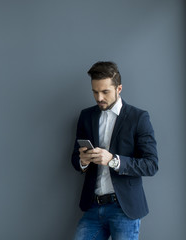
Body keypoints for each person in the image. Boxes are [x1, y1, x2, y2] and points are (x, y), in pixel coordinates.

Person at [71, 61, 158, 240]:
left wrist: (113, 160)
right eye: (95, 92)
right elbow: (75, 159)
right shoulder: (86, 116)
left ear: (119, 89)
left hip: (124, 208)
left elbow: (151, 164)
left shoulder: (138, 118)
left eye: (105, 92)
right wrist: (83, 161)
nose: (99, 98)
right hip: (92, 207)